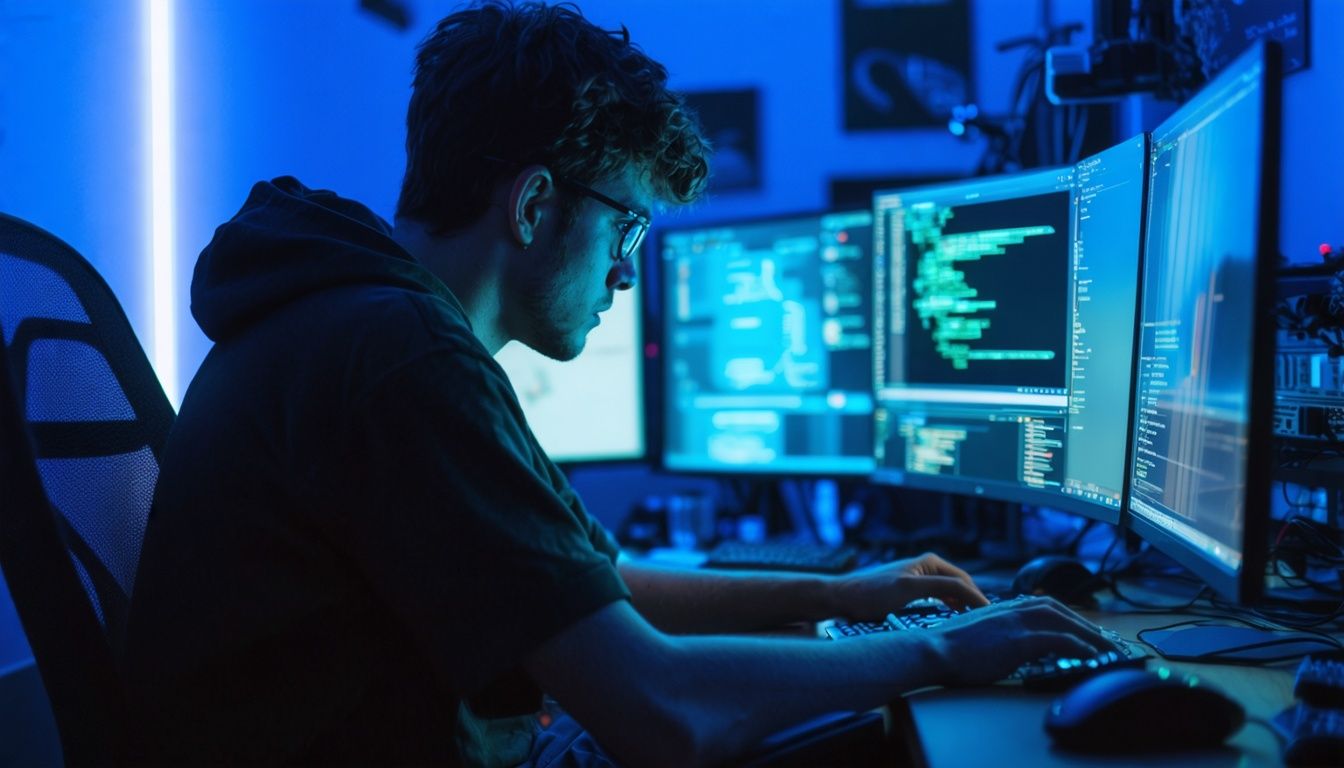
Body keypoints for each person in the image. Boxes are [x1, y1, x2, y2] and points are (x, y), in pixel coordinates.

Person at [122, 2, 1116, 765]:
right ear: (536, 203)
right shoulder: (397, 354)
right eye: (629, 226)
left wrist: (837, 591)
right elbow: (665, 713)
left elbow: (586, 586)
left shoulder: (356, 318)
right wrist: (940, 652)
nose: (630, 272)